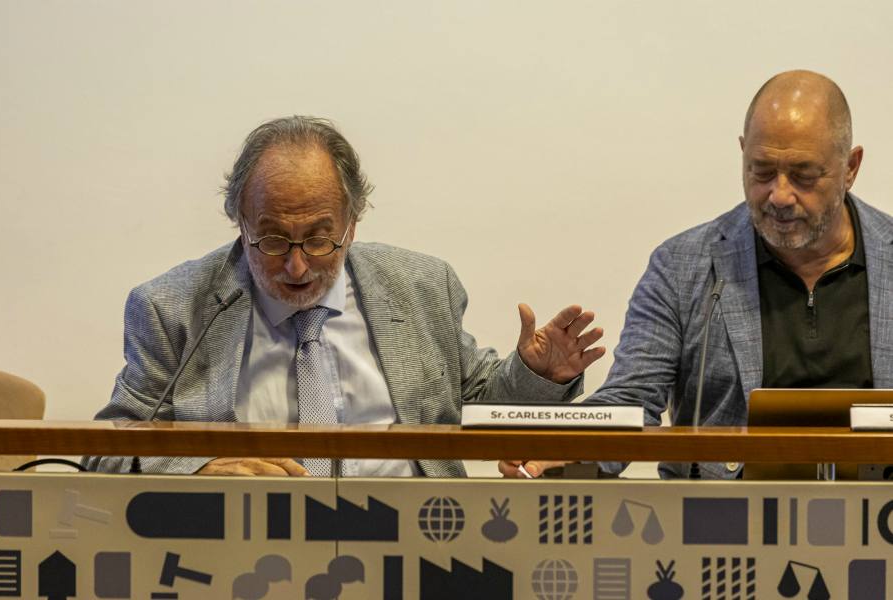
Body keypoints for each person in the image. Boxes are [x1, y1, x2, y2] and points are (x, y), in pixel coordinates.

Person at [83, 116, 605, 477]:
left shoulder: (422, 286)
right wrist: (201, 470)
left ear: (352, 223)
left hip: (415, 535)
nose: (296, 266)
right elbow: (106, 451)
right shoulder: (172, 307)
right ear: (240, 221)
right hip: (244, 545)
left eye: (318, 238)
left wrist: (537, 375)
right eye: (272, 239)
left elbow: (478, 404)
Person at [502, 69, 893, 480]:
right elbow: (631, 399)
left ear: (851, 167)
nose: (779, 195)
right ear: (742, 153)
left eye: (804, 175)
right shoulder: (681, 266)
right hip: (718, 514)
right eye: (761, 171)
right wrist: (558, 449)